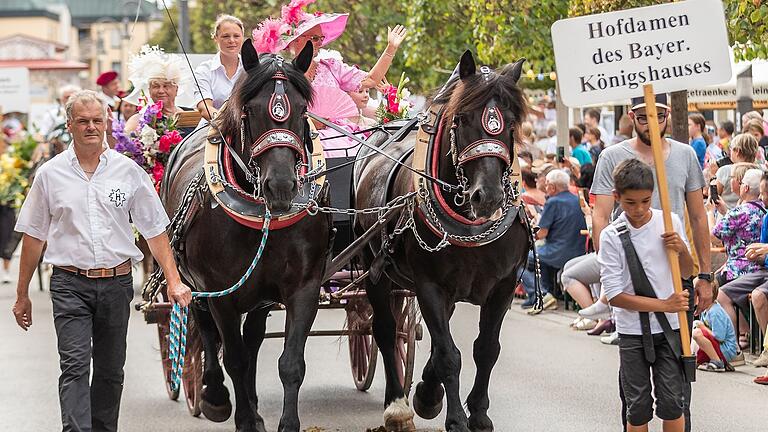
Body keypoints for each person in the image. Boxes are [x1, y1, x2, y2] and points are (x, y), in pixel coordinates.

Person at [11, 90, 192, 432]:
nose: (91, 127)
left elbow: (154, 230)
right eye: (83, 121)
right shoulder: (50, 175)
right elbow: (33, 237)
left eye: (97, 120)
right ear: (70, 126)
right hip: (69, 284)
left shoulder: (128, 172)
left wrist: (173, 279)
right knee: (75, 365)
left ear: (107, 123)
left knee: (110, 371)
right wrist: (22, 294)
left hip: (116, 283)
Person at [591, 94, 711, 432]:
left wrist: (704, 273)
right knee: (635, 396)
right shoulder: (613, 156)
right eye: (643, 117)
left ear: (667, 114)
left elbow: (699, 218)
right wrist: (608, 270)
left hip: (674, 274)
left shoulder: (686, 155)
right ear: (632, 116)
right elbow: (601, 216)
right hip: (630, 277)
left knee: (676, 391)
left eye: (658, 115)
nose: (651, 122)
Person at [599, 158, 692, 432]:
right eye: (630, 203)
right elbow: (615, 295)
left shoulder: (669, 221)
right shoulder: (611, 236)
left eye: (645, 201)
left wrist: (682, 250)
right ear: (617, 198)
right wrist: (665, 304)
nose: (639, 209)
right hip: (632, 332)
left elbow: (687, 271)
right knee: (637, 407)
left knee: (674, 402)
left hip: (671, 329)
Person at [252, 1, 407, 157]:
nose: (320, 43)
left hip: (342, 139)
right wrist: (309, 124)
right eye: (314, 38)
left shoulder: (332, 67)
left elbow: (371, 80)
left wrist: (390, 49)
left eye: (321, 38)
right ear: (296, 40)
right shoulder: (280, 74)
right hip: (300, 142)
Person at [718, 171, 768, 364]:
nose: (762, 198)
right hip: (759, 269)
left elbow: (715, 234)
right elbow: (761, 258)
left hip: (738, 268)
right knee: (722, 292)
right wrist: (756, 256)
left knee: (755, 294)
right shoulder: (765, 217)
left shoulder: (742, 211)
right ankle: (733, 348)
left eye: (764, 194)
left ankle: (763, 346)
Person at [520, 169, 587, 313]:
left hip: (557, 252)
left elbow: (542, 233)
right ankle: (544, 294)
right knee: (540, 259)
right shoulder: (576, 199)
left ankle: (541, 294)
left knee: (520, 260)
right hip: (577, 250)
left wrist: (531, 233)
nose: (545, 187)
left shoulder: (553, 202)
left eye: (547, 184)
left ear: (553, 187)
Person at [123, 46, 195, 138]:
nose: (161, 91)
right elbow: (125, 147)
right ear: (149, 90)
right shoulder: (138, 120)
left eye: (166, 86)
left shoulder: (192, 115)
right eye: (156, 86)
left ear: (176, 89)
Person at [712, 168, 765, 286]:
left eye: (741, 184)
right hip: (761, 268)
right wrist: (725, 211)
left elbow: (714, 237)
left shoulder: (739, 212)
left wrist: (710, 213)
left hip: (739, 269)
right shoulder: (764, 209)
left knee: (710, 284)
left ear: (746, 188)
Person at [194, 14, 245, 122]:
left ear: (242, 38)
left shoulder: (251, 69)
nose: (231, 40)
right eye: (225, 36)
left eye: (236, 36)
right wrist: (227, 122)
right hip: (211, 128)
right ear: (215, 38)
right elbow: (204, 108)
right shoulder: (204, 70)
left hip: (247, 130)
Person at [692, 284, 738, 372]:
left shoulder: (715, 312)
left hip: (726, 349)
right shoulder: (706, 310)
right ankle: (705, 360)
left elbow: (719, 337)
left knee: (697, 333)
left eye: (697, 294)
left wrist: (703, 327)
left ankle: (717, 361)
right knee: (695, 328)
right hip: (718, 347)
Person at [713, 134, 759, 211]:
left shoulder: (725, 171)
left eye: (731, 149)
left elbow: (714, 195)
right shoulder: (760, 171)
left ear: (737, 151)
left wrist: (712, 176)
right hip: (755, 214)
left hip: (726, 216)